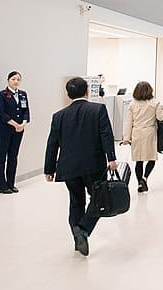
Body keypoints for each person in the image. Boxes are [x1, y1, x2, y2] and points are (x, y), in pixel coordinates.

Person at [44, 77, 117, 256]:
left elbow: (52, 143)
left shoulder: (58, 116)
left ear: (68, 94)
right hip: (93, 165)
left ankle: (77, 235)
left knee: (76, 201)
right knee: (99, 199)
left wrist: (49, 169)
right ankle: (83, 230)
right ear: (87, 91)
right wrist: (111, 158)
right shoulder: (98, 109)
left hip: (68, 166)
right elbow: (106, 134)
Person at [121, 81, 163, 193]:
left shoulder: (132, 104)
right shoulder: (155, 103)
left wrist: (126, 138)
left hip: (137, 133)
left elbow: (128, 122)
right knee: (151, 158)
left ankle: (140, 182)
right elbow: (160, 118)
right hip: (149, 133)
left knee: (138, 161)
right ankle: (144, 178)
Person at [0, 71, 30, 194]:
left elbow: (26, 111)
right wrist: (15, 124)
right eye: (13, 79)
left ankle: (11, 183)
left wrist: (23, 124)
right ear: (8, 80)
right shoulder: (2, 95)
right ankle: (1, 185)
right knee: (1, 157)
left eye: (18, 79)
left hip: (19, 130)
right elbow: (2, 113)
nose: (16, 81)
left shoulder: (23, 94)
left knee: (13, 157)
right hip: (5, 129)